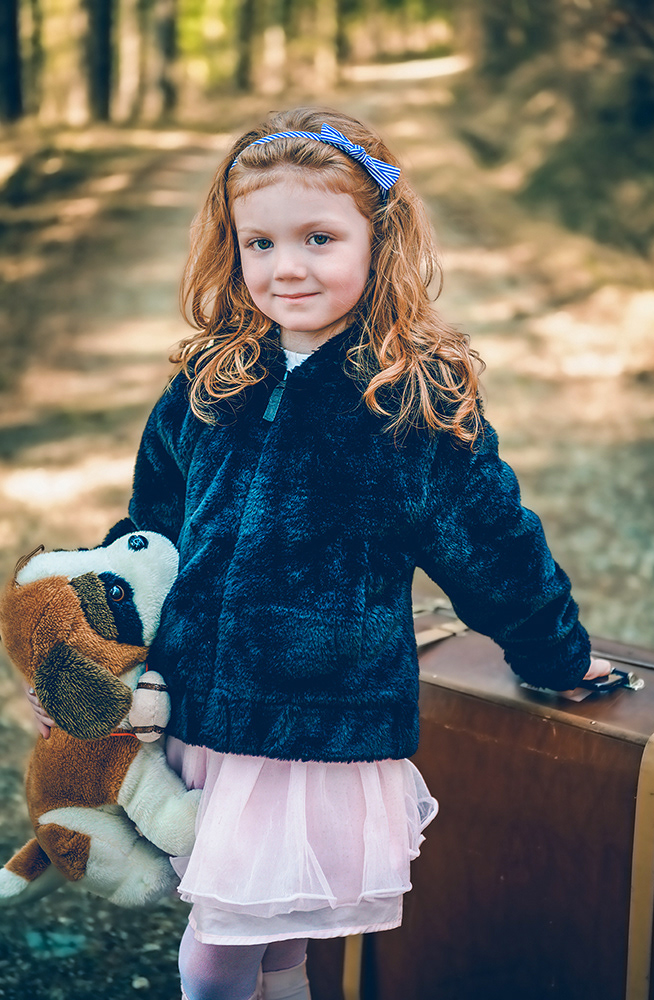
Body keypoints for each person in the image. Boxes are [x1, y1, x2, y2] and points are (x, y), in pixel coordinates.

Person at [27, 107, 610, 1000]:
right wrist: (93, 666)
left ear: (379, 239)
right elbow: (146, 543)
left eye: (318, 238)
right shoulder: (208, 382)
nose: (286, 267)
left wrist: (558, 659)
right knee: (272, 948)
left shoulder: (410, 399)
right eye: (258, 243)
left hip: (316, 735)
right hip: (204, 721)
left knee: (215, 953)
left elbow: (495, 549)